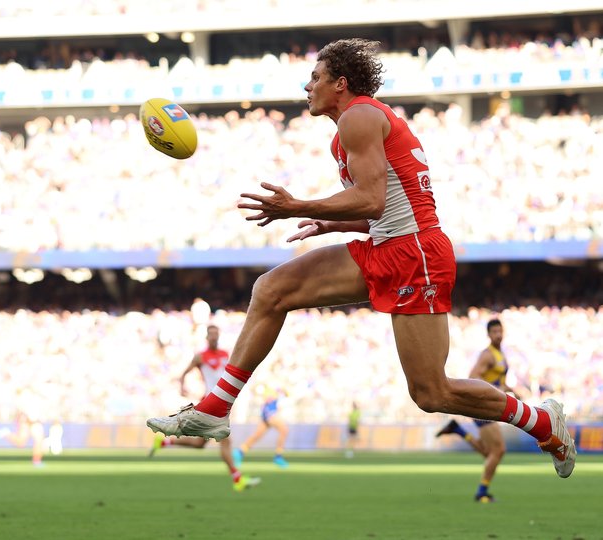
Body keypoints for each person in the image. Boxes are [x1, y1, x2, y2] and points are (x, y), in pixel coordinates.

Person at [147, 38, 575, 480]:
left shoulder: (360, 116)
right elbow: (385, 206)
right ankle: (215, 408)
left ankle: (543, 421)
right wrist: (334, 223)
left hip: (416, 254)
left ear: (341, 84)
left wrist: (298, 206)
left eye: (316, 77)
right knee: (271, 290)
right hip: (387, 246)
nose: (307, 85)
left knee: (431, 392)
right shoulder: (350, 130)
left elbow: (371, 200)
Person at [149, 324, 260, 492]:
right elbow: (184, 373)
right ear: (207, 337)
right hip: (211, 401)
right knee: (225, 440)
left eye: (216, 334)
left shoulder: (225, 354)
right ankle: (237, 479)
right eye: (211, 334)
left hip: (223, 400)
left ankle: (165, 441)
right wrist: (182, 386)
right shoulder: (200, 357)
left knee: (200, 444)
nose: (214, 337)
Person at [436, 319, 522, 502]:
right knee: (499, 451)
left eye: (500, 331)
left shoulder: (500, 355)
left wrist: (511, 391)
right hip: (482, 405)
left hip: (488, 404)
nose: (498, 335)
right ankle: (481, 492)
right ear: (488, 335)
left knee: (489, 452)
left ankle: (458, 430)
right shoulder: (487, 355)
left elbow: (499, 382)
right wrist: (495, 390)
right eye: (494, 332)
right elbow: (473, 377)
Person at [233, 386, 289, 468]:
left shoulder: (277, 391)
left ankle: (240, 452)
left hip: (267, 413)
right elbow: (266, 398)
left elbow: (285, 395)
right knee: (284, 430)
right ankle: (278, 456)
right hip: (270, 413)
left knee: (257, 435)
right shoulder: (271, 390)